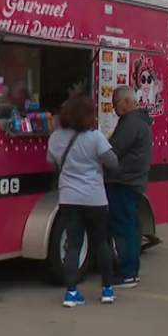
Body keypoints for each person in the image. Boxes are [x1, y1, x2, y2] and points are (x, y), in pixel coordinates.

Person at [49, 94, 119, 307]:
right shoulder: (95, 137)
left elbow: (51, 161)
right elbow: (113, 162)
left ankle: (71, 293)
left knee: (73, 245)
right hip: (95, 198)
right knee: (101, 244)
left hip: (69, 197)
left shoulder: (56, 138)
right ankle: (107, 289)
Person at [104, 85, 153, 288]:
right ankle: (130, 270)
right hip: (133, 182)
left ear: (126, 102)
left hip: (123, 182)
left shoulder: (131, 123)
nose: (114, 108)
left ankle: (127, 273)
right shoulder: (140, 121)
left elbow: (114, 151)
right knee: (130, 227)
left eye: (115, 103)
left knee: (123, 228)